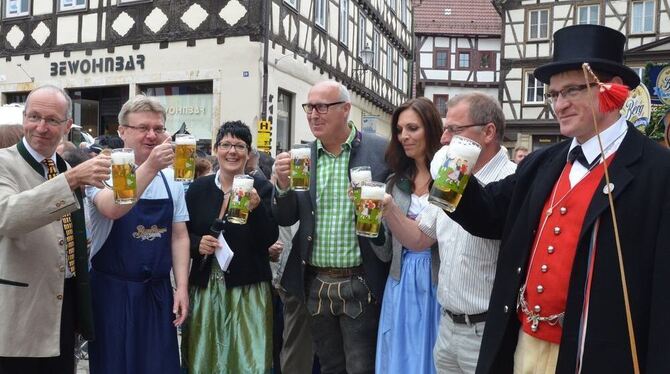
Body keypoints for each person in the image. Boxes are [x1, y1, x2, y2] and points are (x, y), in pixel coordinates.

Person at [445, 25, 670, 373]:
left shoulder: (658, 171)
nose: (559, 105)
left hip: (598, 354)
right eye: (553, 94)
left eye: (571, 91)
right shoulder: (541, 162)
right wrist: (454, 175)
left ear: (610, 90)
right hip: (525, 343)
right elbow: (488, 214)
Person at [384, 93, 516, 373]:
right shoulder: (451, 179)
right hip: (447, 327)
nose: (444, 139)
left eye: (454, 130)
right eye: (445, 129)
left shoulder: (513, 182)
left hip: (486, 330)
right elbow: (420, 238)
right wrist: (388, 209)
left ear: (489, 131)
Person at [272, 80, 391, 374]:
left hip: (360, 282)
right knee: (329, 366)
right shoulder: (304, 155)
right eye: (309, 107)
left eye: (322, 107)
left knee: (361, 366)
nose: (314, 114)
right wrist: (283, 186)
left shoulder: (379, 151)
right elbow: (286, 218)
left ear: (346, 109)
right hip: (315, 283)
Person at [0, 85, 111, 373]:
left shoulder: (61, 166)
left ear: (67, 126)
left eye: (51, 120)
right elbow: (7, 216)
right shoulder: (4, 162)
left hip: (63, 302)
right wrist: (71, 180)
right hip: (19, 310)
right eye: (34, 116)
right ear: (23, 118)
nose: (41, 127)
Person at [85, 95, 190, 374]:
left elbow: (179, 235)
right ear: (122, 131)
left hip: (156, 293)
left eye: (158, 128)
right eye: (143, 128)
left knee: (160, 365)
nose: (152, 135)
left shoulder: (172, 178)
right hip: (113, 293)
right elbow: (113, 209)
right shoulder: (102, 172)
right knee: (114, 365)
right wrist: (151, 165)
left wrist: (181, 287)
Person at [181, 121, 278, 373]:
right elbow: (182, 234)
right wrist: (196, 243)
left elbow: (268, 238)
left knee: (248, 359)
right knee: (205, 358)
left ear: (249, 153)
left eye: (239, 146)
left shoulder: (263, 188)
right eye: (225, 144)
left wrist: (256, 210)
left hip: (248, 288)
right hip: (205, 286)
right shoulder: (198, 189)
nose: (232, 151)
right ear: (215, 150)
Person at [373, 97, 443, 374]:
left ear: (431, 128)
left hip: (438, 280)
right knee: (400, 360)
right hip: (401, 281)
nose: (404, 136)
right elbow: (386, 251)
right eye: (400, 130)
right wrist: (372, 227)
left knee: (434, 357)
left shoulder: (448, 177)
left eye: (412, 128)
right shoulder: (394, 183)